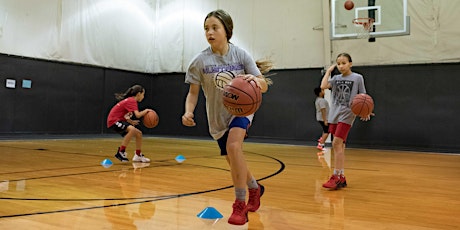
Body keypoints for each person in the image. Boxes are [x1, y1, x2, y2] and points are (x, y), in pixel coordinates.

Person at [181, 9, 273, 225]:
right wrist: (188, 111)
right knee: (233, 159)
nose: (209, 32)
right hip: (217, 118)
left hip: (241, 111)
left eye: (215, 28)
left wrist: (255, 80)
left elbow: (263, 85)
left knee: (233, 147)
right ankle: (254, 187)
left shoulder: (240, 55)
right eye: (206, 29)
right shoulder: (199, 61)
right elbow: (193, 94)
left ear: (227, 30)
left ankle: (239, 205)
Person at [320, 53, 372, 190]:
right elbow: (323, 85)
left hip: (347, 113)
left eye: (344, 63)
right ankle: (341, 176)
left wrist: (365, 111)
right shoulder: (336, 78)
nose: (341, 66)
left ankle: (336, 176)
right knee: (340, 146)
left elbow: (363, 96)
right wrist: (329, 71)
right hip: (334, 114)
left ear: (350, 64)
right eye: (338, 63)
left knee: (336, 143)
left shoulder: (357, 78)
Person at [107, 85, 153, 163]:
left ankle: (138, 155)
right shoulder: (132, 101)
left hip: (117, 119)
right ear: (139, 94)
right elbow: (138, 115)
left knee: (139, 133)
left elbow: (121, 114)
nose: (143, 96)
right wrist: (146, 111)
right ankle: (121, 152)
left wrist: (130, 121)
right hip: (113, 121)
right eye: (143, 94)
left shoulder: (130, 100)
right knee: (131, 129)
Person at [314, 87, 330, 151]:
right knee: (327, 131)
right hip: (322, 119)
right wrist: (325, 120)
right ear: (320, 93)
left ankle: (321, 140)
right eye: (322, 91)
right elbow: (323, 110)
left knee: (325, 130)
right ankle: (321, 145)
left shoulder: (318, 99)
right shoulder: (322, 101)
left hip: (321, 118)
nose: (324, 92)